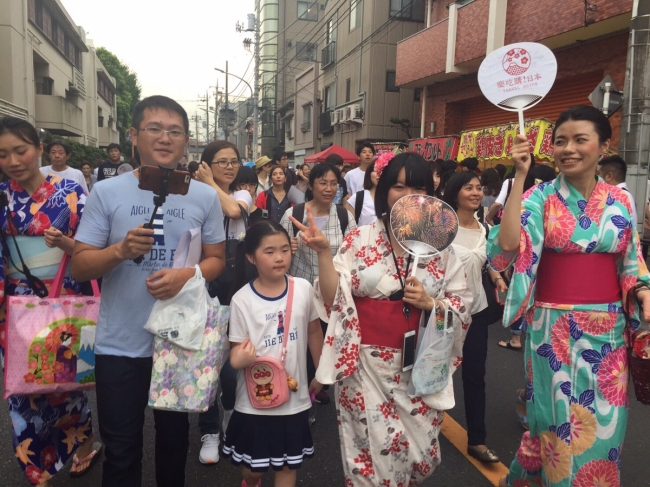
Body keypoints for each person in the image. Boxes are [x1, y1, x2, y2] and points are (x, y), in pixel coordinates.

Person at [71, 95, 226, 487]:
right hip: (119, 343)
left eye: (175, 131)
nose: (165, 138)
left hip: (176, 342)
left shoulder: (205, 196)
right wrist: (120, 251)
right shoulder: (107, 192)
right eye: (154, 129)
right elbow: (80, 264)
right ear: (134, 136)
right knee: (121, 450)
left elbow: (216, 260)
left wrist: (186, 275)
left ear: (187, 140)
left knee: (173, 446)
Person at [491, 105, 650, 487]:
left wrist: (643, 289)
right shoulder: (539, 196)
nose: (569, 149)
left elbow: (632, 261)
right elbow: (509, 244)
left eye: (580, 139)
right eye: (560, 141)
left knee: (605, 427)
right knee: (556, 425)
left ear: (603, 146)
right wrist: (520, 176)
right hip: (553, 330)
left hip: (608, 330)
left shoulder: (621, 200)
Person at [292, 152, 472, 486]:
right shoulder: (359, 238)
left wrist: (432, 303)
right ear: (385, 188)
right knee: (371, 466)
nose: (407, 195)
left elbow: (462, 302)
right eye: (398, 186)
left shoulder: (442, 247)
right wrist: (323, 255)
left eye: (417, 186)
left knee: (420, 459)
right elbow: (334, 300)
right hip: (364, 364)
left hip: (419, 364)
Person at [0, 117, 101, 486]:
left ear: (39, 148)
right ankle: (35, 464)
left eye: (20, 150)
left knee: (68, 383)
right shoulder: (1, 195)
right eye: (3, 155)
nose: (12, 161)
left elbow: (93, 248)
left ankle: (86, 444)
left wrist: (67, 244)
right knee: (21, 387)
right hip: (15, 304)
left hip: (66, 298)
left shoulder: (72, 192)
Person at [223, 220, 324, 487]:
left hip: (294, 397)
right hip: (255, 400)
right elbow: (235, 353)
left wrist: (322, 371)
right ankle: (251, 481)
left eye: (284, 249)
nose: (279, 258)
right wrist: (239, 359)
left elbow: (314, 332)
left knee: (288, 464)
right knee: (252, 469)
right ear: (250, 257)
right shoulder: (241, 300)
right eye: (269, 252)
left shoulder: (302, 288)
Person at [192, 139, 252, 464]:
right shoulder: (196, 195)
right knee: (207, 362)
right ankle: (209, 429)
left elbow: (232, 210)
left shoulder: (243, 194)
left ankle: (230, 409)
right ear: (206, 164)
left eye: (234, 161)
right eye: (221, 162)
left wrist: (210, 183)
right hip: (206, 284)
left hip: (239, 287)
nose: (229, 167)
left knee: (232, 363)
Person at [280, 163, 356, 408]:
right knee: (301, 341)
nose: (329, 188)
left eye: (334, 183)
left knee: (327, 338)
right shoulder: (294, 214)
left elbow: (354, 253)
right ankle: (300, 391)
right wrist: (288, 249)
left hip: (331, 291)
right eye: (323, 182)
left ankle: (318, 382)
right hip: (300, 291)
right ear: (310, 184)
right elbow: (277, 251)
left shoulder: (344, 216)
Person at [443, 171, 506, 464]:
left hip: (477, 312)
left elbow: (486, 261)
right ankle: (423, 429)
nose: (475, 192)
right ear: (455, 192)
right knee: (437, 372)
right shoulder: (440, 227)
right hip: (443, 313)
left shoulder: (486, 229)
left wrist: (495, 277)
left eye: (479, 188)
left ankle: (477, 440)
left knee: (475, 376)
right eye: (468, 187)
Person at [597, 155, 638, 226]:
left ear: (609, 176)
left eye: (598, 174)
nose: (596, 178)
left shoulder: (617, 197)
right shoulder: (625, 195)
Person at [345, 161, 378, 226]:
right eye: (376, 170)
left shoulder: (394, 198)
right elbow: (349, 228)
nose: (380, 174)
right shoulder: (357, 198)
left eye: (384, 170)